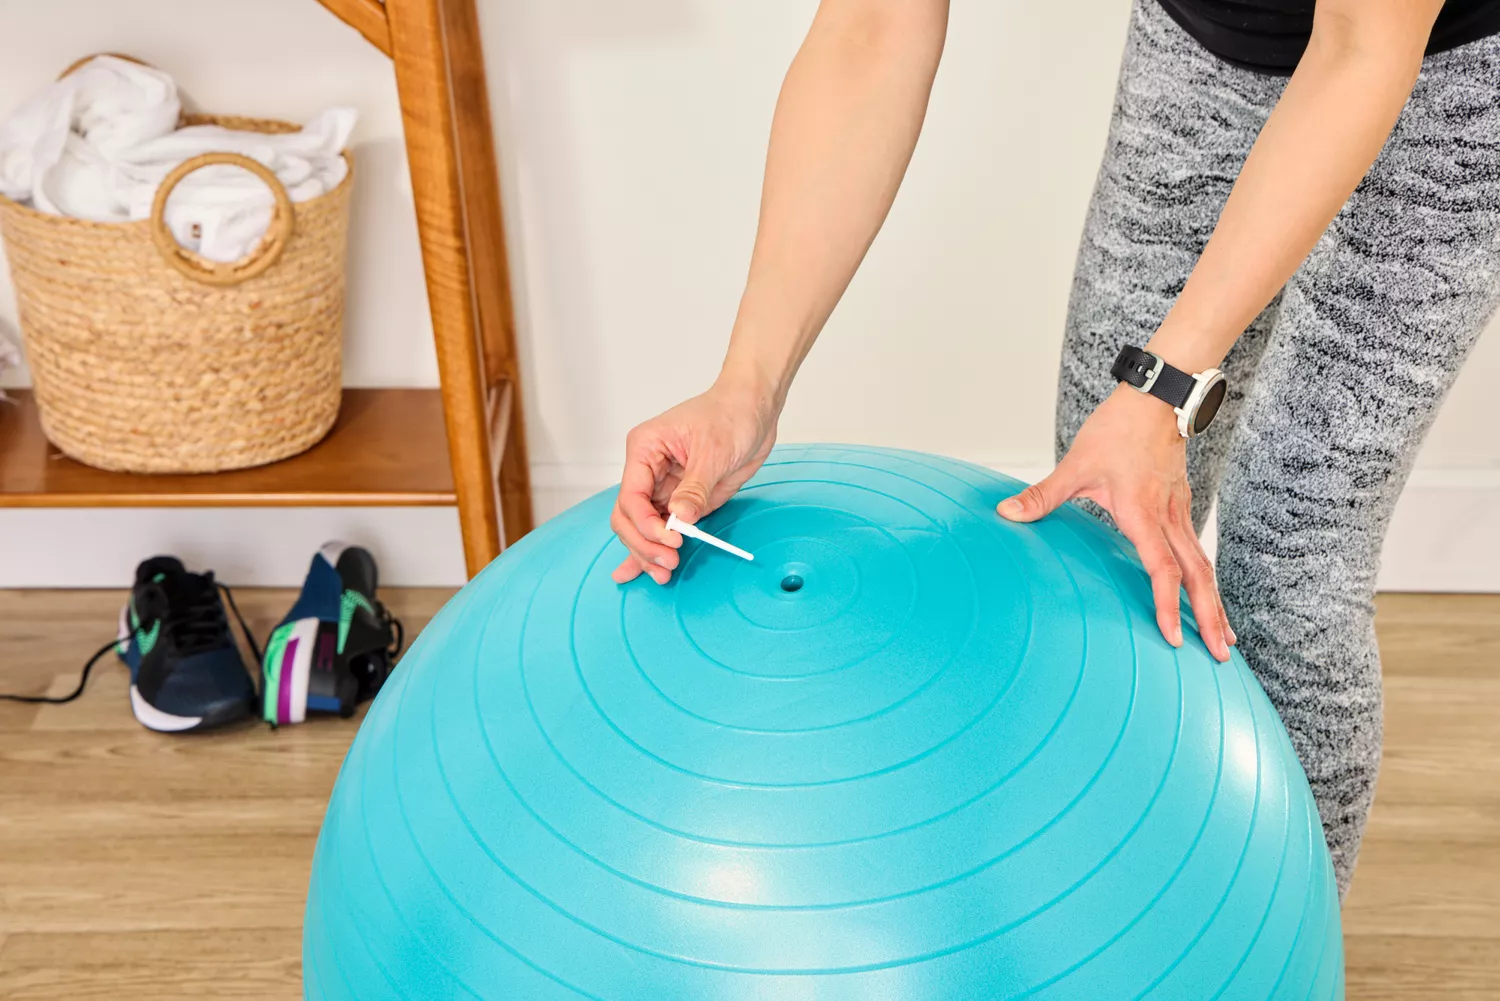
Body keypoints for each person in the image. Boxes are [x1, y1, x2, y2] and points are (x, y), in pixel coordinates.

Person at [608, 0, 1500, 901]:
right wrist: (746, 387)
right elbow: (874, 24)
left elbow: (1360, 45)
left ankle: (1288, 952)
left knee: (1292, 562)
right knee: (1101, 528)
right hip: (1205, 44)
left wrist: (1163, 388)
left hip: (1439, 74)